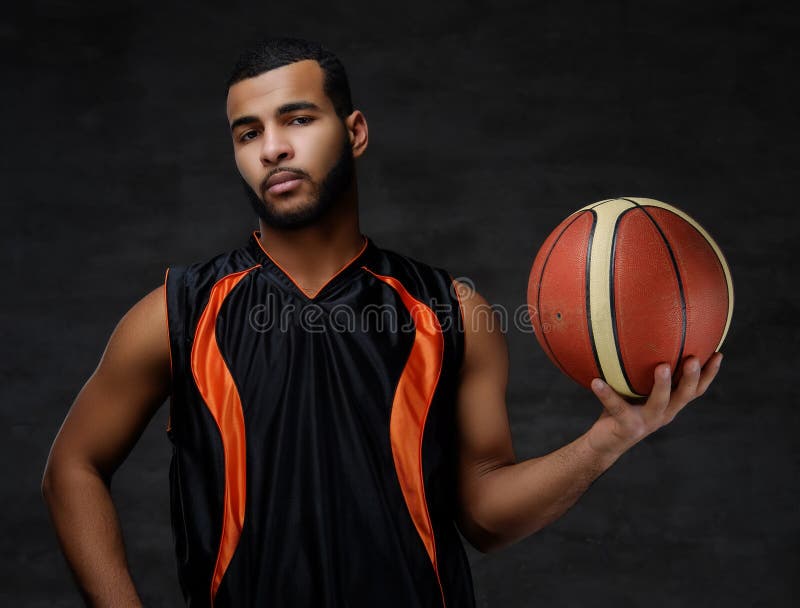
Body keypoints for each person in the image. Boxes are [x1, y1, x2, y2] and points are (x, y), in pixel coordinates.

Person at [41, 37, 723, 607]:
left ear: (355, 131)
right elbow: (72, 465)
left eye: (298, 119)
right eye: (248, 133)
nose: (272, 148)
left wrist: (610, 438)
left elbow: (484, 515)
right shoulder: (177, 311)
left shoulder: (452, 311)